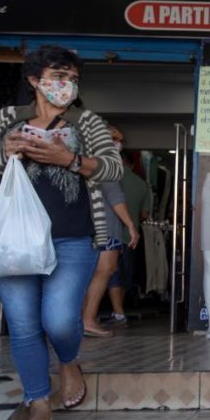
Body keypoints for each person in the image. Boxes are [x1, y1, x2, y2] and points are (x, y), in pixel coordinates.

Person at [0, 45, 122, 420]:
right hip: (13, 241)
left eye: (72, 78)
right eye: (58, 77)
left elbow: (112, 166)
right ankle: (38, 402)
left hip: (72, 237)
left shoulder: (86, 122)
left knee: (58, 319)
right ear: (35, 80)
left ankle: (68, 360)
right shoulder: (7, 119)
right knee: (22, 326)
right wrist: (5, 154)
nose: (66, 85)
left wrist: (68, 160)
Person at [82, 127, 140, 337]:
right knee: (106, 269)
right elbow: (114, 195)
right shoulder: (106, 162)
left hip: (87, 225)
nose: (119, 144)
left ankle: (83, 318)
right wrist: (131, 225)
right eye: (116, 139)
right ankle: (88, 318)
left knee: (85, 274)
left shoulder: (84, 159)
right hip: (105, 225)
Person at [105, 139, 150, 329]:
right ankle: (119, 311)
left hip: (108, 231)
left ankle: (113, 313)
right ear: (132, 163)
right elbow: (145, 214)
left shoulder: (107, 176)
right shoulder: (141, 184)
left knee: (107, 274)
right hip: (130, 236)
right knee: (124, 277)